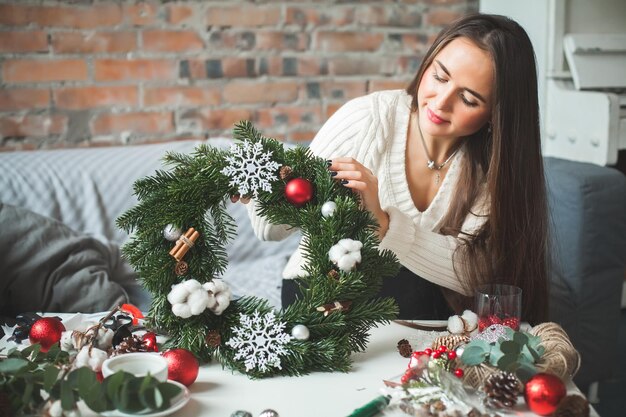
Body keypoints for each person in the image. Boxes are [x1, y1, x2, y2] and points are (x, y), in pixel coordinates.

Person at [246, 13, 549, 324]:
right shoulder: (366, 120)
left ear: (495, 114)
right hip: (319, 294)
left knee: (418, 288)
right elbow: (268, 230)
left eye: (468, 99)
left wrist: (386, 226)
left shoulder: (493, 167)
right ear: (428, 63)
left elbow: (476, 276)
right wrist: (274, 185)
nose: (440, 103)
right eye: (440, 77)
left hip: (422, 309)